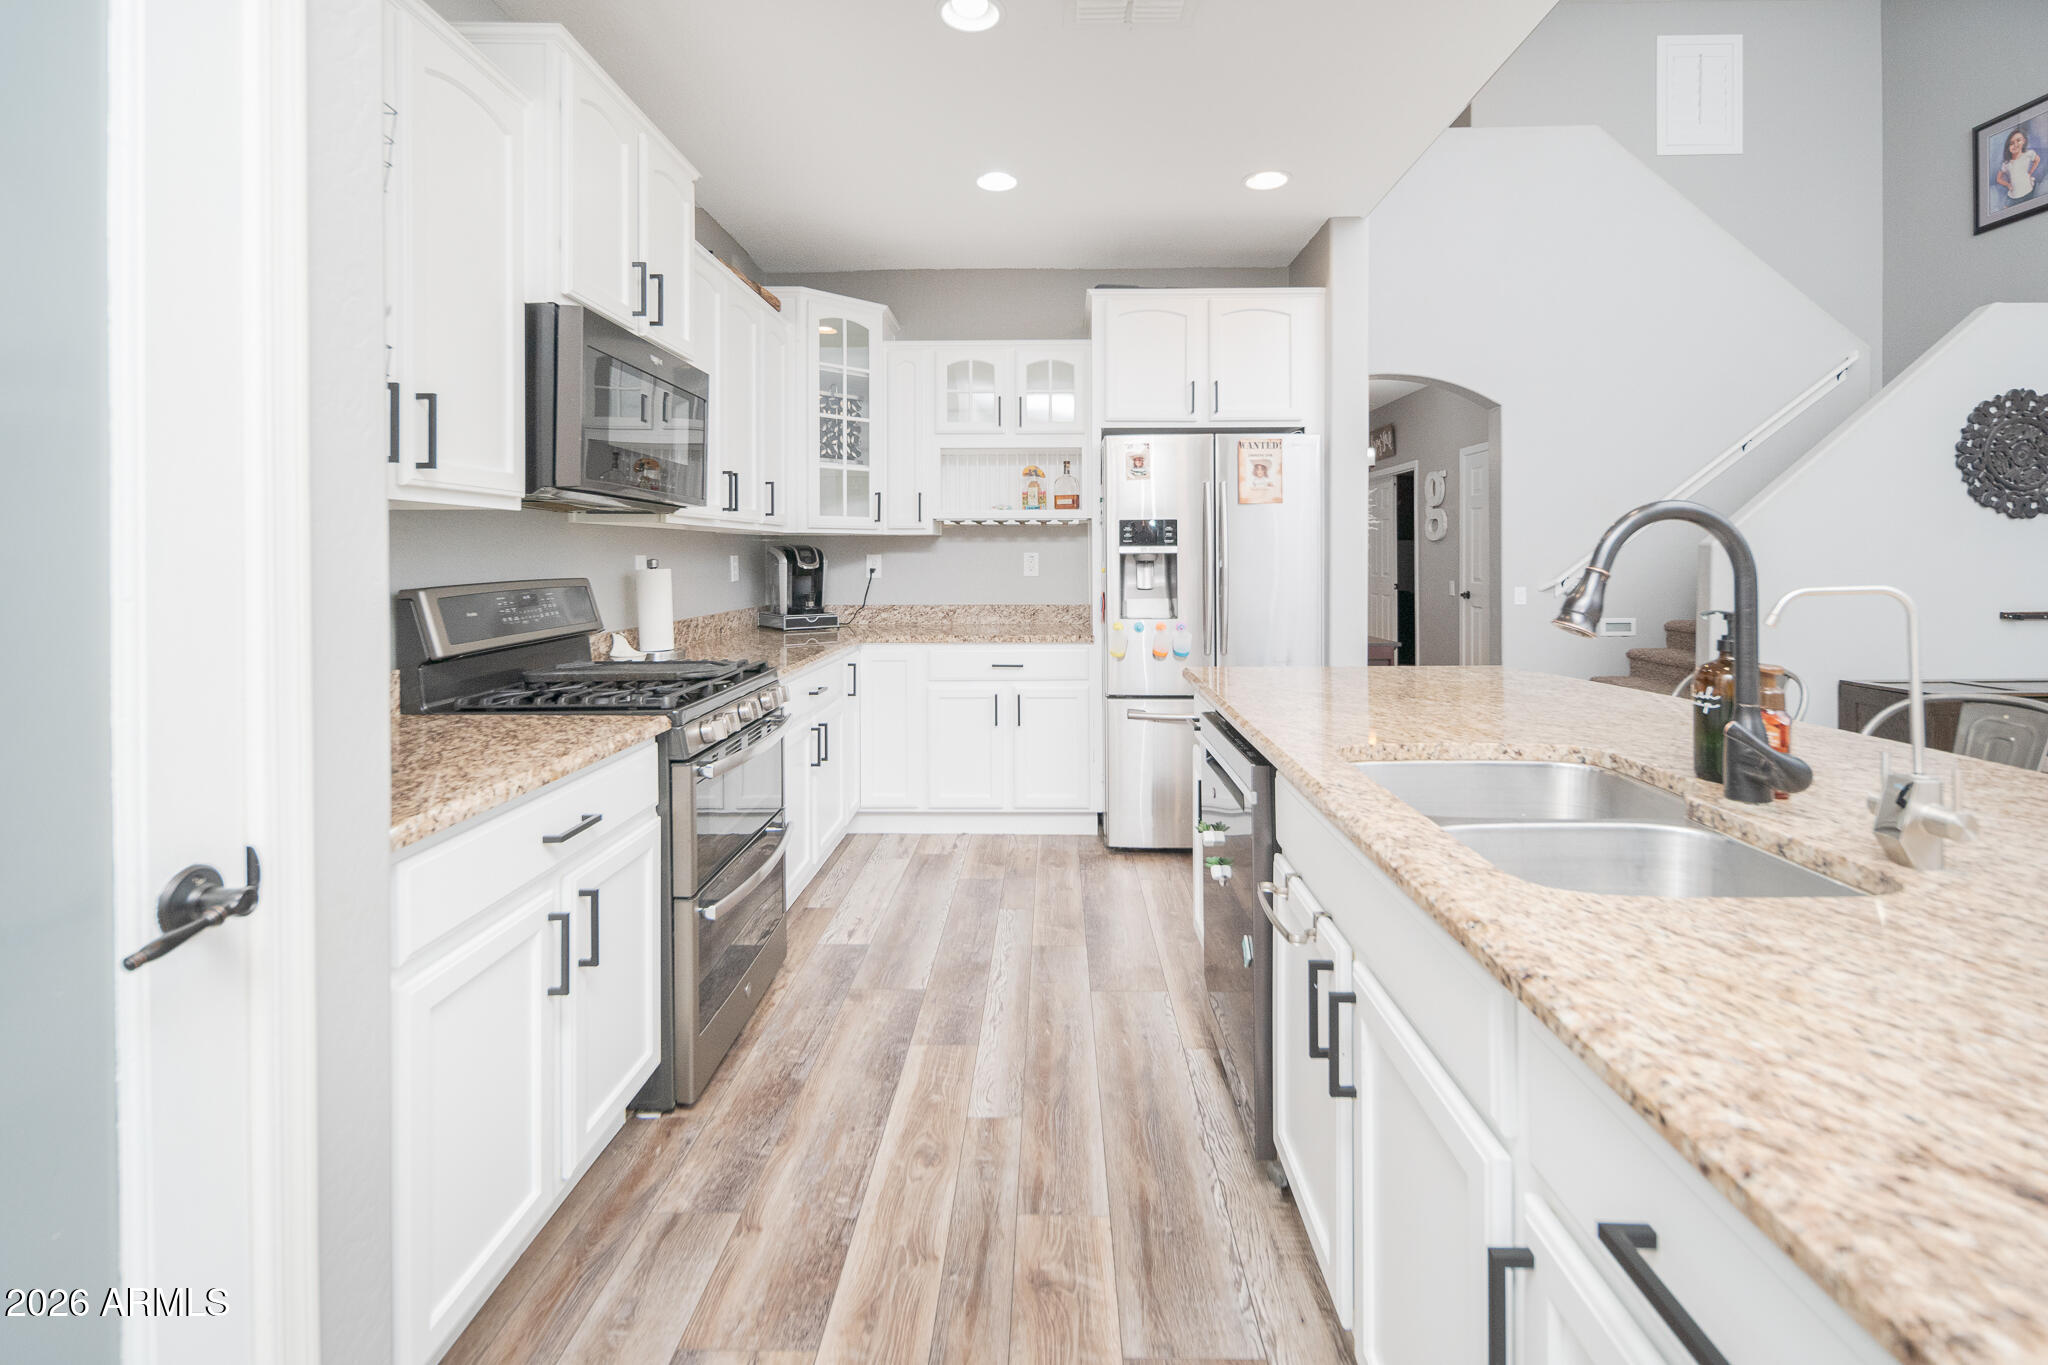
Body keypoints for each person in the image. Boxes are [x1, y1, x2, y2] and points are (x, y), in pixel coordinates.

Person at [1998, 125, 2040, 205]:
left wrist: (2030, 172)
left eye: (2018, 140)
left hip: (2028, 191)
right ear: (2008, 147)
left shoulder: (2029, 154)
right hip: (2014, 196)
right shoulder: (2006, 163)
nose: (2015, 144)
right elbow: (1998, 179)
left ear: (2024, 141)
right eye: (2011, 143)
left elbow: (2037, 160)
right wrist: (2007, 184)